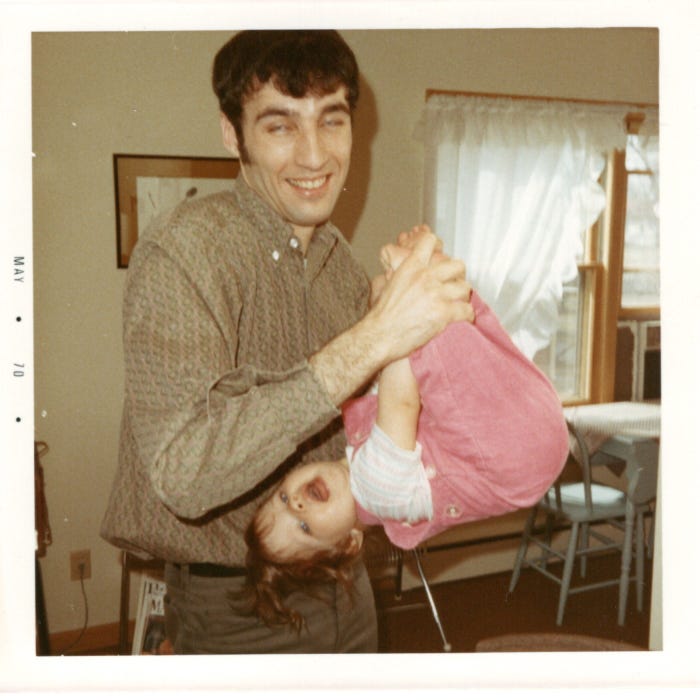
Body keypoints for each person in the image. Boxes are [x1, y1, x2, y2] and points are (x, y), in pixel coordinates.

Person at [100, 30, 473, 654]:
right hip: (236, 601)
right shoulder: (182, 251)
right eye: (280, 126)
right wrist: (375, 338)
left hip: (349, 588)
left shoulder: (343, 268)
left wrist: (437, 331)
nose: (314, 155)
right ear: (232, 134)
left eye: (332, 121)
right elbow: (185, 471)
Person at [244, 226, 570, 629]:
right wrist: (392, 318)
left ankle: (435, 283)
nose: (295, 506)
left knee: (468, 340)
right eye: (305, 527)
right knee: (430, 348)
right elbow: (400, 400)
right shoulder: (378, 490)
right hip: (512, 454)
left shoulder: (357, 453)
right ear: (349, 543)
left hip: (532, 421)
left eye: (280, 499)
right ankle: (423, 278)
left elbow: (383, 387)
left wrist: (383, 307)